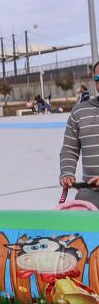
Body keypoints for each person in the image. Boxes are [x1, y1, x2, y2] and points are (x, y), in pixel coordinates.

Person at [59, 61, 99, 208]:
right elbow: (69, 149)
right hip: (89, 193)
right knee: (75, 216)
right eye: (97, 79)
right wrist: (67, 173)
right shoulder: (79, 112)